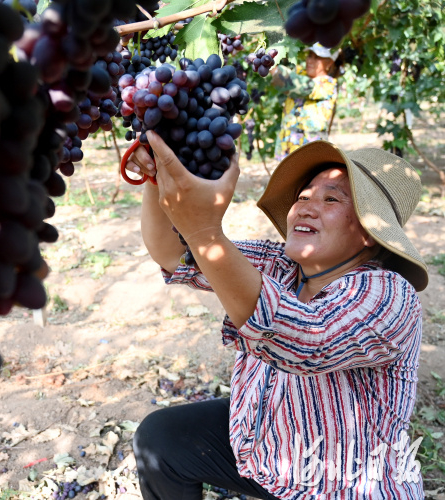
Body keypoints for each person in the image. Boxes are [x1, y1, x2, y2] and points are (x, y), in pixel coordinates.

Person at [124, 133, 429, 499]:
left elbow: (306, 339)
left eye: (331, 199)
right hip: (269, 451)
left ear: (368, 232)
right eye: (303, 196)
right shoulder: (280, 264)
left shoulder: (389, 295)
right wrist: (158, 176)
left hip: (341, 484)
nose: (305, 206)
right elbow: (175, 255)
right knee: (161, 440)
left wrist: (204, 230)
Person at [271, 43, 340, 161]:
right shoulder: (300, 72)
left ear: (329, 63)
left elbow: (299, 85)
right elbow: (290, 74)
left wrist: (271, 67)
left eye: (317, 57)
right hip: (287, 145)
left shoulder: (328, 85)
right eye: (309, 55)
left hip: (310, 149)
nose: (310, 61)